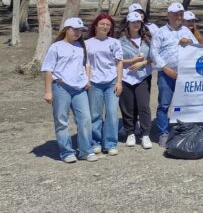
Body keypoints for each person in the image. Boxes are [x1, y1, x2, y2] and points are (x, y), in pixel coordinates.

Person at [41, 17, 95, 163]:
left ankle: (86, 151)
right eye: (75, 29)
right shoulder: (56, 47)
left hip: (80, 89)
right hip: (61, 87)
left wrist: (87, 80)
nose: (78, 32)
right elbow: (47, 69)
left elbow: (87, 65)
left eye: (80, 30)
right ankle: (66, 152)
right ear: (66, 29)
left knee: (85, 119)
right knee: (61, 120)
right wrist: (48, 91)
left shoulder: (81, 46)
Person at [151, 2, 197, 147]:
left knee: (183, 104)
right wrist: (165, 68)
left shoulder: (186, 31)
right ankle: (163, 133)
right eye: (176, 13)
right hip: (166, 74)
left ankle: (180, 131)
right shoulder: (160, 32)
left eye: (181, 14)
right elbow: (154, 52)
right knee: (164, 104)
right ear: (168, 15)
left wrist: (189, 42)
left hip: (184, 74)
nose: (179, 16)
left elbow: (197, 48)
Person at [85, 13, 124, 156]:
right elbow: (87, 63)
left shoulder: (114, 42)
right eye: (102, 24)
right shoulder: (87, 43)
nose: (105, 26)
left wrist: (119, 81)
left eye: (108, 25)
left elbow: (119, 63)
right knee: (95, 114)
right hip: (94, 82)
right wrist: (87, 80)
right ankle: (96, 142)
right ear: (96, 25)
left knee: (112, 113)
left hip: (111, 81)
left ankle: (110, 143)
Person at [119, 12, 154, 149]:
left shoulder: (148, 40)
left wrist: (143, 63)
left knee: (143, 106)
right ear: (127, 24)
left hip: (142, 77)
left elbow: (153, 57)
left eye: (138, 22)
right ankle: (130, 133)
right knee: (128, 107)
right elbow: (117, 60)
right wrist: (132, 61)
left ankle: (145, 134)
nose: (136, 24)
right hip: (126, 77)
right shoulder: (120, 41)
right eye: (133, 22)